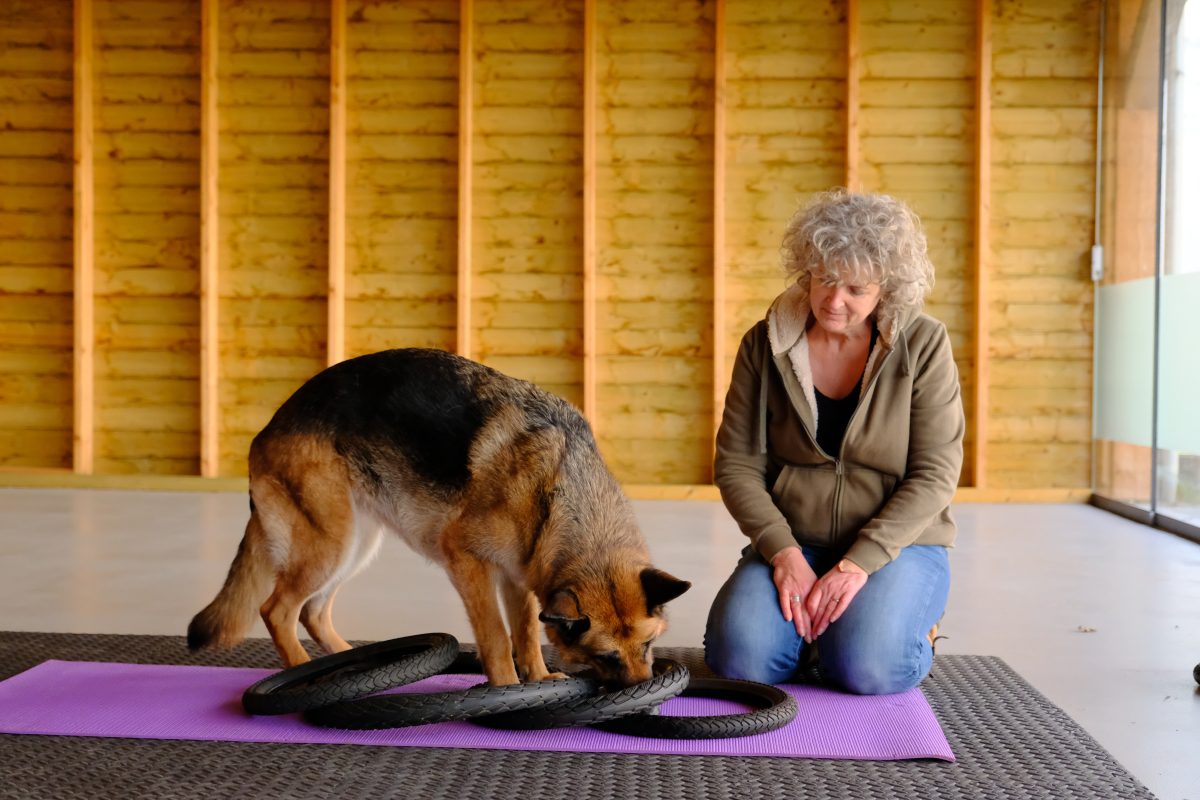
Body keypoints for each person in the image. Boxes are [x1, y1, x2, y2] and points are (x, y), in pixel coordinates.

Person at [705, 189, 965, 695]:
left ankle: (884, 629)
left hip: (897, 546)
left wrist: (856, 564)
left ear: (886, 288)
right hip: (795, 541)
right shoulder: (765, 343)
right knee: (740, 661)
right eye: (824, 278)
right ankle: (818, 632)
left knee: (870, 667)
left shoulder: (925, 344)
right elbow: (737, 464)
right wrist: (783, 554)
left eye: (855, 288)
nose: (834, 300)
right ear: (807, 269)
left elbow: (935, 473)